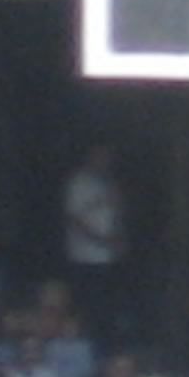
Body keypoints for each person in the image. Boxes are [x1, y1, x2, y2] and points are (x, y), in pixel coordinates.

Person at [64, 146, 127, 342]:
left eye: (108, 158)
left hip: (108, 257)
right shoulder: (78, 183)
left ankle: (107, 345)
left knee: (108, 307)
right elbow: (74, 219)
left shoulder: (107, 183)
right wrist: (102, 241)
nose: (105, 162)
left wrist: (119, 237)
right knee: (89, 307)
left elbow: (116, 213)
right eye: (101, 158)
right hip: (85, 256)